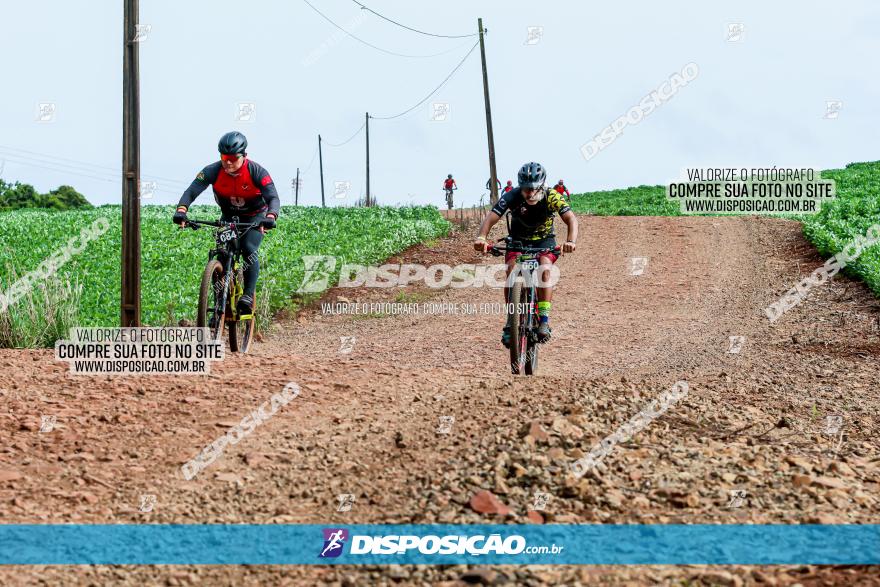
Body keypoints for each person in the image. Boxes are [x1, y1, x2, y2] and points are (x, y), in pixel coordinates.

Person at [173, 131, 279, 315]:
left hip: (254, 217)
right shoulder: (212, 171)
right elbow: (192, 190)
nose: (228, 162)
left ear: (244, 156)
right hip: (228, 215)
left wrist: (270, 217)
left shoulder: (257, 171)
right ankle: (218, 308)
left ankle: (247, 296)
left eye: (232, 158)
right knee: (221, 254)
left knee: (248, 248)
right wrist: (182, 210)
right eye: (224, 157)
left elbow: (273, 197)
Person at [473, 162, 578, 345]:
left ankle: (544, 320)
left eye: (533, 189)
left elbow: (570, 219)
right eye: (525, 189)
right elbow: (492, 216)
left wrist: (570, 241)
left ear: (542, 185)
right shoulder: (512, 195)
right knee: (512, 271)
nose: (529, 193)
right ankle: (510, 322)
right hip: (518, 240)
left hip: (544, 241)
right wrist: (481, 237)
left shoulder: (552, 196)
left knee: (544, 268)